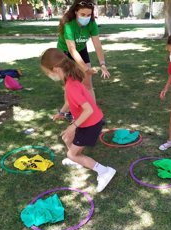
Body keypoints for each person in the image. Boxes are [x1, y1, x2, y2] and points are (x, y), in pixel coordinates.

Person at [40, 48, 116, 192]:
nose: (48, 75)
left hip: (91, 124)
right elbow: (70, 101)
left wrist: (73, 126)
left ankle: (104, 171)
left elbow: (88, 110)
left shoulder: (71, 86)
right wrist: (61, 113)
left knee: (71, 153)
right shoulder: (70, 79)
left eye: (47, 72)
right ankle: (77, 159)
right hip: (87, 122)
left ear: (55, 69)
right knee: (66, 138)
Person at [55, 0, 110, 121]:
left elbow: (97, 45)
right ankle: (69, 112)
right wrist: (85, 68)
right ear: (76, 12)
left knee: (88, 83)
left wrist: (102, 64)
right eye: (83, 14)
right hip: (65, 52)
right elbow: (72, 49)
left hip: (81, 49)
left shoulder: (92, 24)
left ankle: (95, 113)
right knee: (70, 84)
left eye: (88, 15)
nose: (86, 17)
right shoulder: (68, 25)